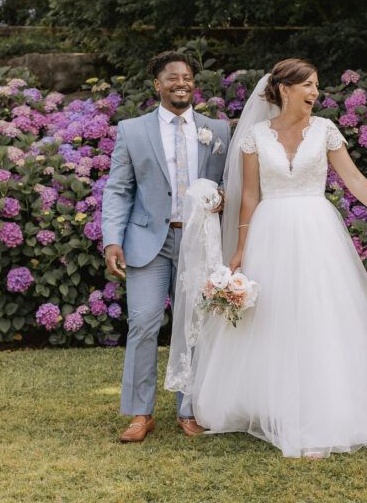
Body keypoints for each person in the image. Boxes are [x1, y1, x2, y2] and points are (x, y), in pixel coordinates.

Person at [182, 58, 367, 459]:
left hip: (317, 232)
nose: (314, 92)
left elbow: (354, 179)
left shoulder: (325, 130)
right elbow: (251, 196)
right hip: (269, 233)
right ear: (285, 89)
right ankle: (271, 406)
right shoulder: (255, 136)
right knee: (274, 319)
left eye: (316, 85)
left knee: (318, 317)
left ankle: (320, 416)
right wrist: (240, 250)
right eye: (307, 85)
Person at [102, 51, 231, 442]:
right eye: (173, 77)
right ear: (157, 85)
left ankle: (189, 410)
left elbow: (232, 183)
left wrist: (222, 196)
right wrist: (112, 239)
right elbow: (118, 189)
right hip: (147, 242)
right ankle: (141, 414)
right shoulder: (132, 130)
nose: (181, 83)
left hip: (199, 241)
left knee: (194, 326)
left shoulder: (218, 130)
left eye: (188, 77)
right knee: (142, 323)